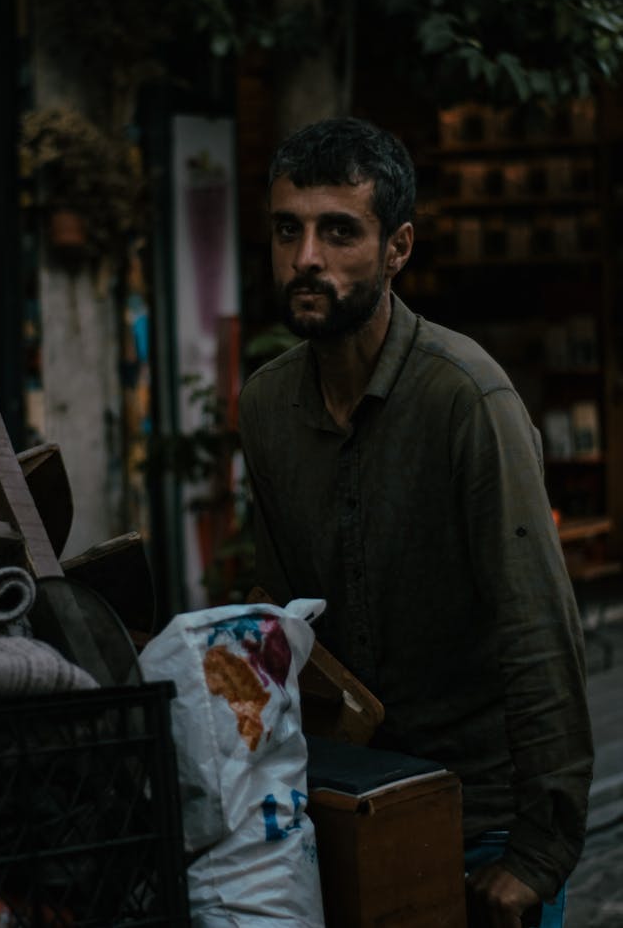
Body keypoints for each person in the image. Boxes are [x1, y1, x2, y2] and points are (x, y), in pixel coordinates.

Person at [238, 116, 593, 928]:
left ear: (397, 247)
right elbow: (290, 628)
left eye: (339, 232)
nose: (306, 259)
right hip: (347, 804)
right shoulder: (266, 406)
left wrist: (537, 855)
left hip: (482, 819)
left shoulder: (467, 397)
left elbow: (539, 628)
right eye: (288, 229)